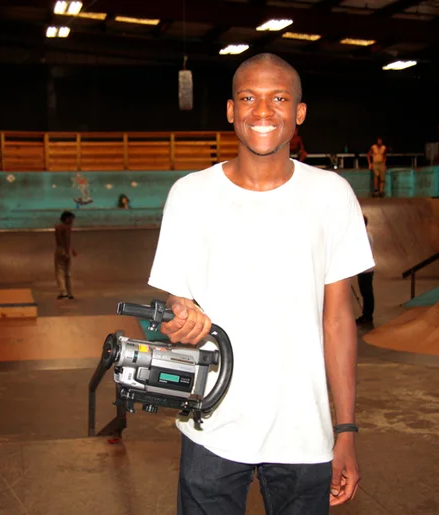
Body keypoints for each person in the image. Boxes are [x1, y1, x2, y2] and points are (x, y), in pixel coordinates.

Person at [148, 53, 374, 514]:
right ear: (231, 111)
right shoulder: (190, 195)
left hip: (305, 434)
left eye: (279, 98)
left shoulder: (332, 196)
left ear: (299, 113)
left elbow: (337, 321)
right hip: (211, 426)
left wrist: (345, 430)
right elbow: (177, 302)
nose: (263, 111)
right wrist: (178, 320)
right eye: (249, 98)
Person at [356, 215, 375, 325]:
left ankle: (367, 315)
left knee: (367, 293)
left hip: (365, 269)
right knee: (366, 292)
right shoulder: (365, 235)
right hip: (365, 268)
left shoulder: (365, 236)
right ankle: (366, 314)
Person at [54, 210, 77, 300]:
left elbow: (60, 240)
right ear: (66, 219)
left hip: (60, 250)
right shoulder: (66, 228)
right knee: (67, 272)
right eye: (71, 219)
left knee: (60, 271)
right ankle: (69, 292)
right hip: (64, 250)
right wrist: (68, 251)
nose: (72, 221)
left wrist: (68, 250)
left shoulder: (59, 227)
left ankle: (63, 292)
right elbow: (66, 240)